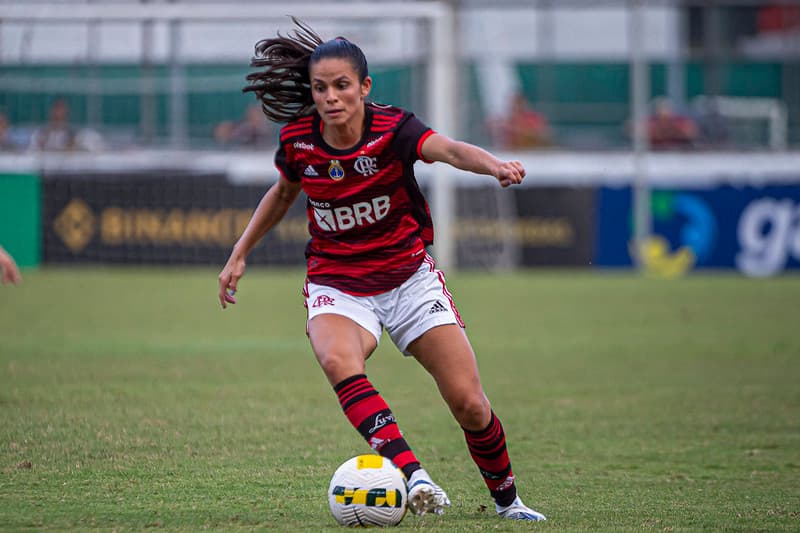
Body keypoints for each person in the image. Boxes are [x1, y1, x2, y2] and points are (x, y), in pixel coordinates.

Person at [217, 19, 546, 522]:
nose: (330, 97)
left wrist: (495, 164)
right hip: (338, 283)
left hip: (409, 279)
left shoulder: (395, 129)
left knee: (470, 405)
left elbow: (451, 149)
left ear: (364, 87)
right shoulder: (299, 141)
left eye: (342, 85)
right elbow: (283, 193)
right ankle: (413, 475)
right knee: (337, 362)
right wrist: (240, 252)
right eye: (320, 88)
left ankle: (509, 503)